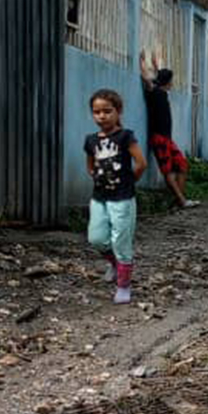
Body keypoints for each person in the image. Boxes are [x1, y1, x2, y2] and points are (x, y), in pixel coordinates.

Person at [85, 89, 146, 305]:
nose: (101, 116)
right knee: (97, 238)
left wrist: (128, 183)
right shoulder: (91, 140)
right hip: (99, 197)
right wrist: (98, 178)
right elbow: (91, 165)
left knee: (121, 240)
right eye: (96, 112)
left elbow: (141, 163)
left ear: (118, 111)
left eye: (107, 111)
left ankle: (123, 285)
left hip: (122, 198)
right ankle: (114, 263)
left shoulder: (125, 136)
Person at [140, 51, 196, 208]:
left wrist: (156, 64)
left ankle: (179, 199)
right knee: (169, 172)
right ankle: (181, 201)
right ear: (167, 82)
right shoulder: (155, 92)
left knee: (182, 164)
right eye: (171, 81)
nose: (173, 83)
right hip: (159, 138)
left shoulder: (162, 91)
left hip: (167, 138)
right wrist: (142, 62)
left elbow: (157, 78)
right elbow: (147, 79)